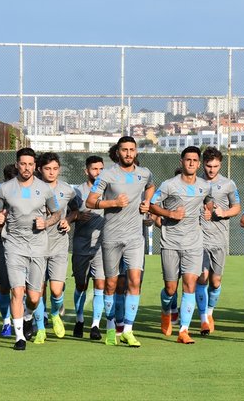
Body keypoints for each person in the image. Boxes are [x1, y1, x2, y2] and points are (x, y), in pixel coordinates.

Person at [86, 136, 155, 347]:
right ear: (118, 152)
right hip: (111, 237)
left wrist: (147, 202)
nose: (128, 153)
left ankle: (128, 330)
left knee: (134, 280)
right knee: (111, 284)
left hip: (135, 237)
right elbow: (90, 201)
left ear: (136, 152)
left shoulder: (145, 173)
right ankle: (110, 325)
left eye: (131, 150)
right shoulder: (107, 174)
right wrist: (113, 202)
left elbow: (151, 186)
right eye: (124, 150)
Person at [0, 147, 61, 351]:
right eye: (23, 164)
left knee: (33, 296)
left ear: (35, 166)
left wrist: (46, 223)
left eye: (30, 164)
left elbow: (56, 213)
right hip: (13, 244)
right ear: (17, 165)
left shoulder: (45, 189)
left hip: (38, 245)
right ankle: (19, 337)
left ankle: (28, 316)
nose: (27, 168)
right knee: (17, 291)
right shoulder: (5, 189)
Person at [149, 146, 212, 344]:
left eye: (195, 160)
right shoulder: (169, 185)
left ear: (199, 163)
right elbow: (152, 205)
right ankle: (166, 311)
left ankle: (183, 330)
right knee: (170, 288)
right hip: (170, 242)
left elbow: (208, 202)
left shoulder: (204, 185)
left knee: (190, 285)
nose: (191, 163)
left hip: (194, 243)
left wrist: (208, 211)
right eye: (188, 160)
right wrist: (170, 214)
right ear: (181, 162)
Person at [196, 147, 241, 335]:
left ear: (220, 164)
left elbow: (237, 207)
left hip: (220, 240)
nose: (212, 170)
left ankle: (210, 312)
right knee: (202, 278)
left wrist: (224, 212)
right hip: (198, 239)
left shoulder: (228, 184)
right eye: (208, 166)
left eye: (215, 166)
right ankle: (203, 319)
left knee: (215, 281)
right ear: (202, 164)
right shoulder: (195, 183)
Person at [35, 152, 78, 343]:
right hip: (36, 245)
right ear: (39, 169)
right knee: (38, 290)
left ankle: (54, 314)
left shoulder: (67, 190)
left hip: (59, 245)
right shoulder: (32, 188)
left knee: (56, 290)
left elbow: (76, 210)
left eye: (54, 168)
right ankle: (41, 328)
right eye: (47, 168)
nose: (51, 172)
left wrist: (68, 220)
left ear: (59, 169)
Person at [72, 156, 107, 340]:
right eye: (94, 169)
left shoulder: (109, 191)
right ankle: (79, 319)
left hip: (101, 246)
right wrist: (77, 216)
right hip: (81, 245)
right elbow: (69, 214)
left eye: (101, 168)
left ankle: (95, 325)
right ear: (87, 171)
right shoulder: (77, 192)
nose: (98, 172)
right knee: (81, 285)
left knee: (100, 284)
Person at [0, 164, 19, 338]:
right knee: (4, 287)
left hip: (27, 247)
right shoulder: (0, 199)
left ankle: (25, 319)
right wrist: (1, 225)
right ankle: (6, 322)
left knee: (22, 288)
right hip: (3, 246)